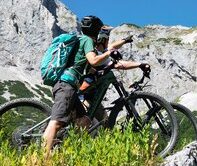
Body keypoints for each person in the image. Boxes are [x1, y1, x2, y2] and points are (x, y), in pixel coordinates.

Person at [43, 15, 118, 157]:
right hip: (66, 85)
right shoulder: (87, 40)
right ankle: (42, 159)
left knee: (84, 122)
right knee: (56, 122)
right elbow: (93, 60)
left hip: (71, 86)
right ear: (96, 30)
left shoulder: (81, 41)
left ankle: (68, 152)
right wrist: (109, 52)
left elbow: (91, 67)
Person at [77, 27, 151, 122]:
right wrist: (140, 65)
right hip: (83, 97)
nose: (108, 42)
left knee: (105, 122)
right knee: (86, 124)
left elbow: (111, 47)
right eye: (107, 39)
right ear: (102, 39)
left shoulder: (99, 52)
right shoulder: (97, 55)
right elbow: (118, 63)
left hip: (91, 96)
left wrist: (124, 40)